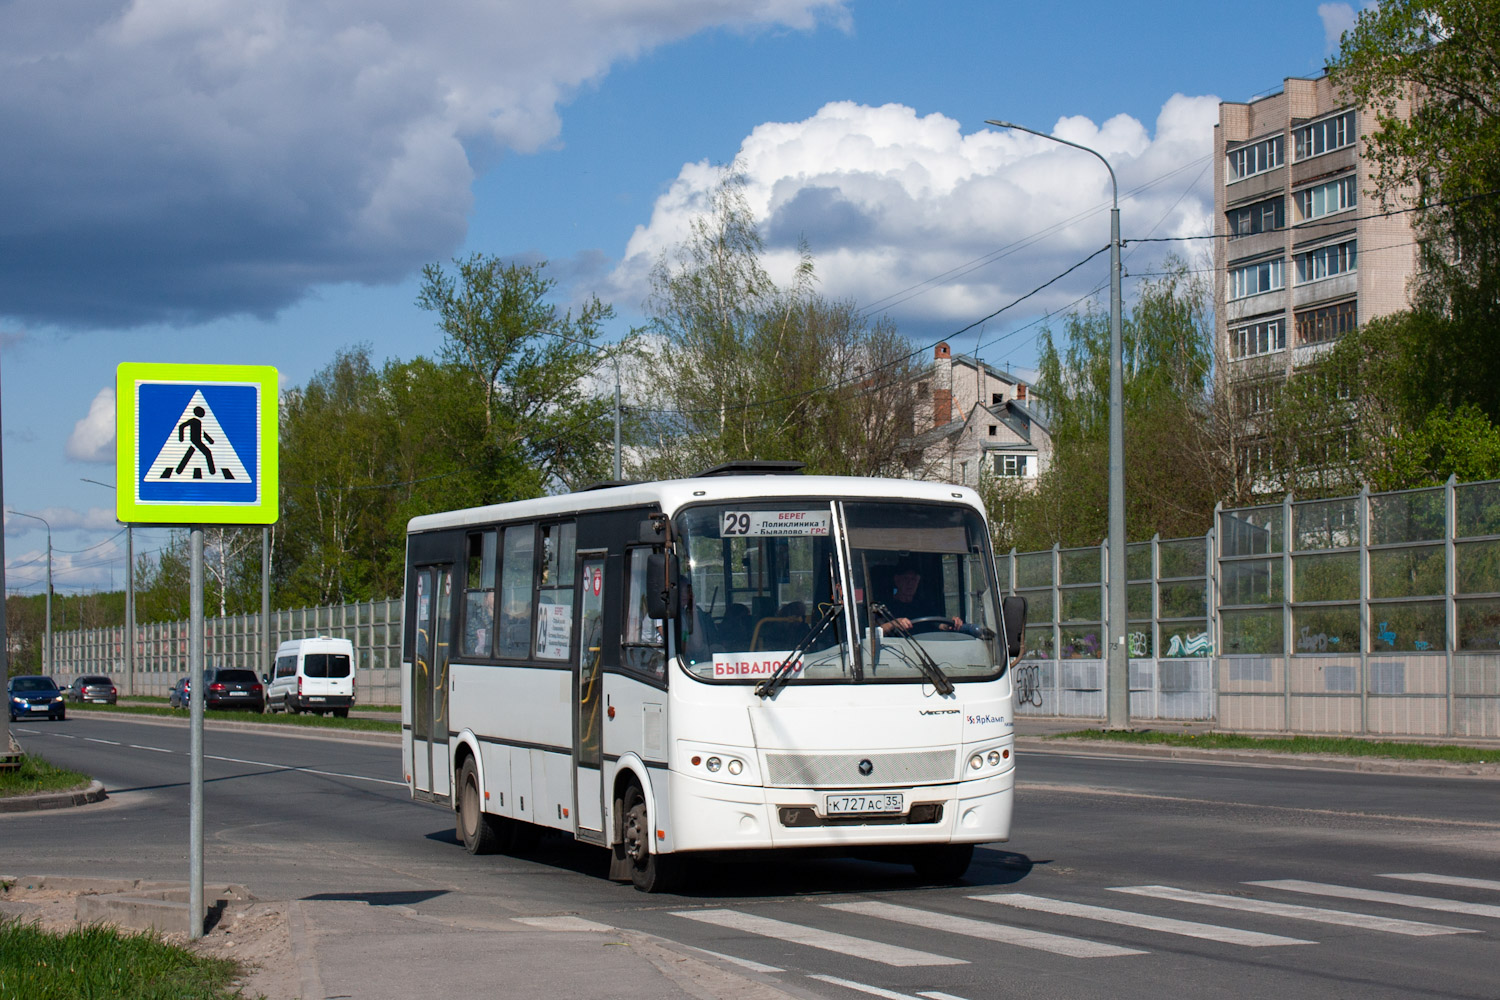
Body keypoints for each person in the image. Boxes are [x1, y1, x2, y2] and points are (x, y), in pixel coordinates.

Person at [878, 557, 963, 635]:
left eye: (914, 579)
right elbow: (875, 632)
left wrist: (951, 624)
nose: (910, 583)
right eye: (906, 579)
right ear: (897, 580)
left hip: (925, 648)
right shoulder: (883, 608)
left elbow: (939, 624)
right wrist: (895, 623)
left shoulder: (925, 606)